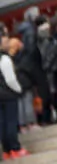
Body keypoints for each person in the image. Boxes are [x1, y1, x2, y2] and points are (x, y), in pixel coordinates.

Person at [0, 26, 28, 159]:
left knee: (2, 123)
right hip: (8, 94)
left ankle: (6, 150)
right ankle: (15, 148)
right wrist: (19, 89)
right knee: (11, 122)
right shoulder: (4, 59)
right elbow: (10, 79)